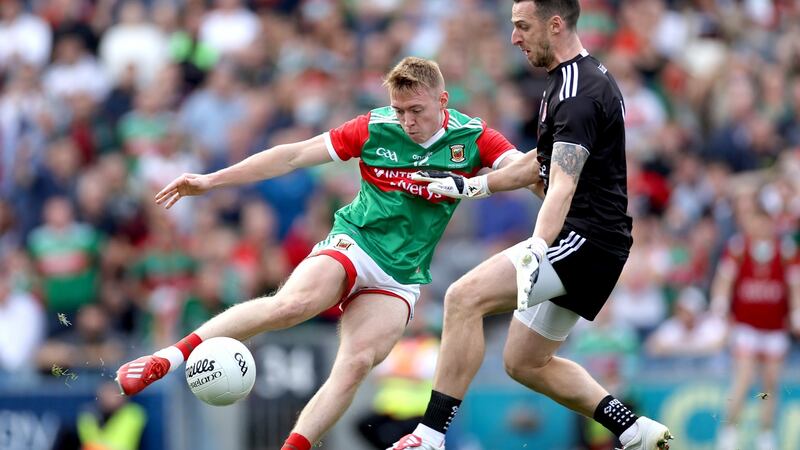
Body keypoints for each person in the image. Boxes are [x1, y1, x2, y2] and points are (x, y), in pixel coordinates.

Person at [115, 56, 525, 450]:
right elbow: (292, 155)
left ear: (442, 101)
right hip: (355, 241)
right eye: (399, 110)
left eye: (416, 110)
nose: (407, 121)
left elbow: (525, 168)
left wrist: (481, 187)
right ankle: (167, 359)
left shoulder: (473, 138)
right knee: (292, 305)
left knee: (356, 364)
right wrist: (212, 180)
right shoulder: (373, 128)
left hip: (401, 273)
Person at [390, 1, 672, 449]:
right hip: (595, 240)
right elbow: (536, 165)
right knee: (525, 362)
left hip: (583, 239)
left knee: (463, 299)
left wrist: (536, 249)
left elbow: (559, 184)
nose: (514, 37)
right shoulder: (568, 80)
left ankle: (429, 436)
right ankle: (635, 432)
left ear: (555, 24)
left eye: (522, 26)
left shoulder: (578, 91)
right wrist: (467, 187)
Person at [711, 193, 800, 450]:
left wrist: (796, 312)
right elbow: (724, 280)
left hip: (774, 328)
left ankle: (766, 436)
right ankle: (729, 433)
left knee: (770, 383)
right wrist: (719, 303)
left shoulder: (786, 250)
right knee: (745, 378)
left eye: (765, 221)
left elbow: (795, 285)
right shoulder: (739, 247)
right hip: (747, 326)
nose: (760, 226)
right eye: (756, 220)